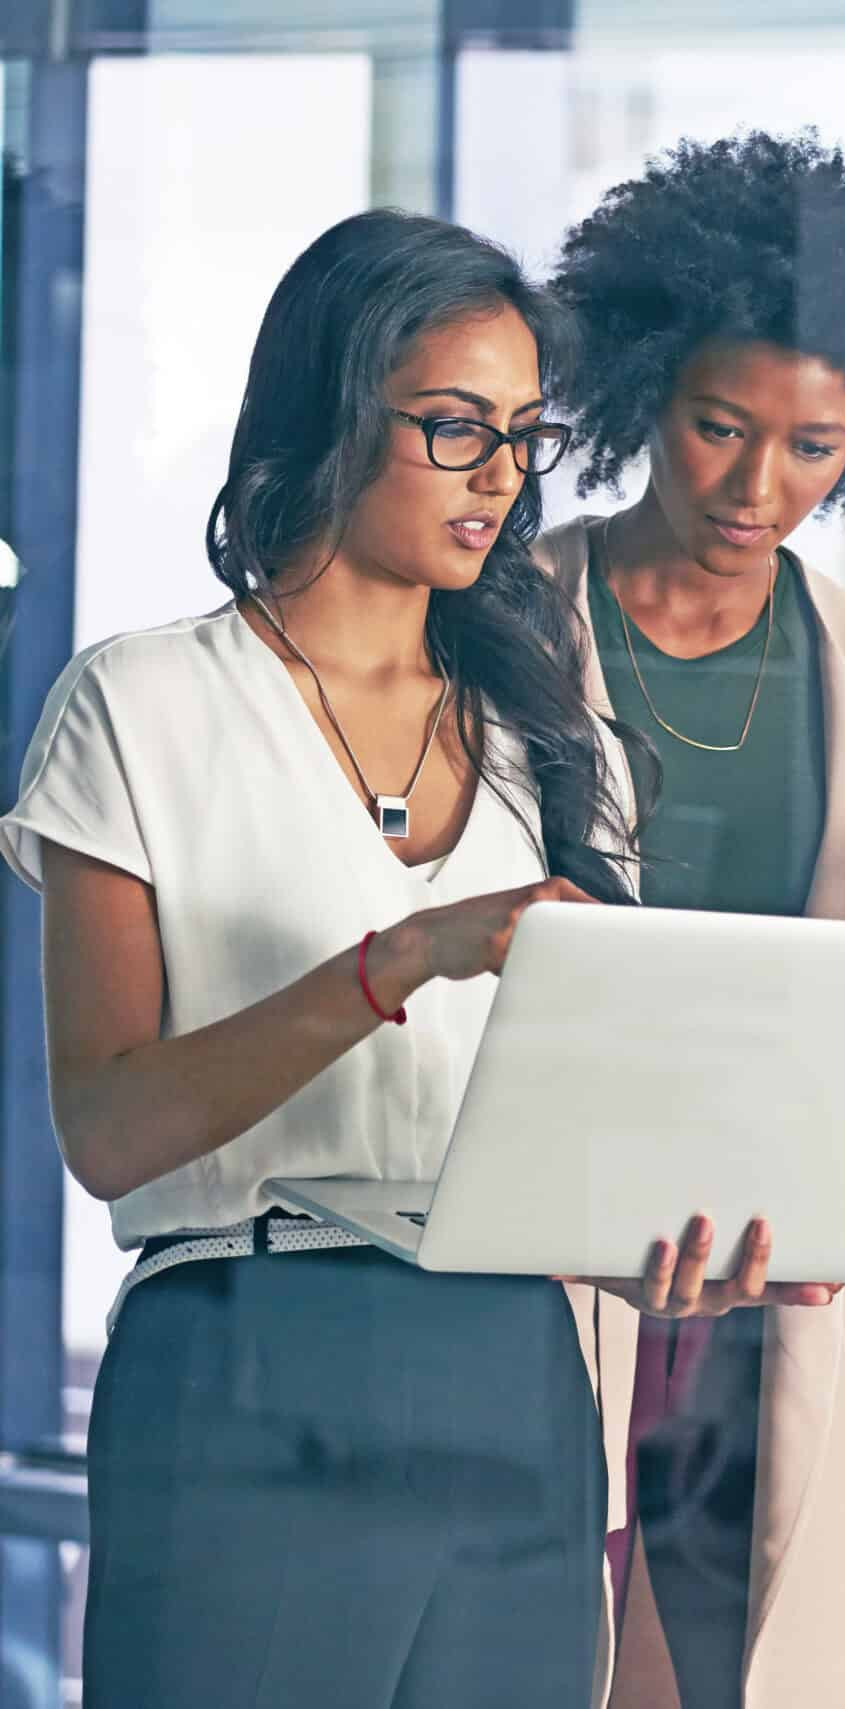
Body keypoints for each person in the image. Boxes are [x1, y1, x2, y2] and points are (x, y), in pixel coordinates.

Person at [0, 210, 676, 1707]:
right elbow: (107, 1130)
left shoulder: (562, 745)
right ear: (328, 409)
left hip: (518, 1373)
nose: (504, 475)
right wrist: (407, 954)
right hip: (247, 1357)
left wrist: (679, 1253)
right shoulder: (141, 705)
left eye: (523, 435)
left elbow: (592, 1123)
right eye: (454, 428)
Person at [537, 131, 845, 1709]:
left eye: (813, 448)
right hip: (544, 1263)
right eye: (717, 427)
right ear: (641, 394)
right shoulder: (511, 627)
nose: (758, 489)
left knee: (746, 1667)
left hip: (777, 1286)